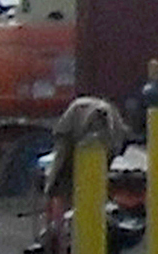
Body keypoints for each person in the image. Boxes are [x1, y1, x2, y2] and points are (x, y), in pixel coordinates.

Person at [39, 97, 123, 254]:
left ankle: (58, 234)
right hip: (79, 130)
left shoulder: (106, 128)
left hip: (83, 131)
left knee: (58, 186)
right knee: (58, 186)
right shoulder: (107, 128)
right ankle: (57, 235)